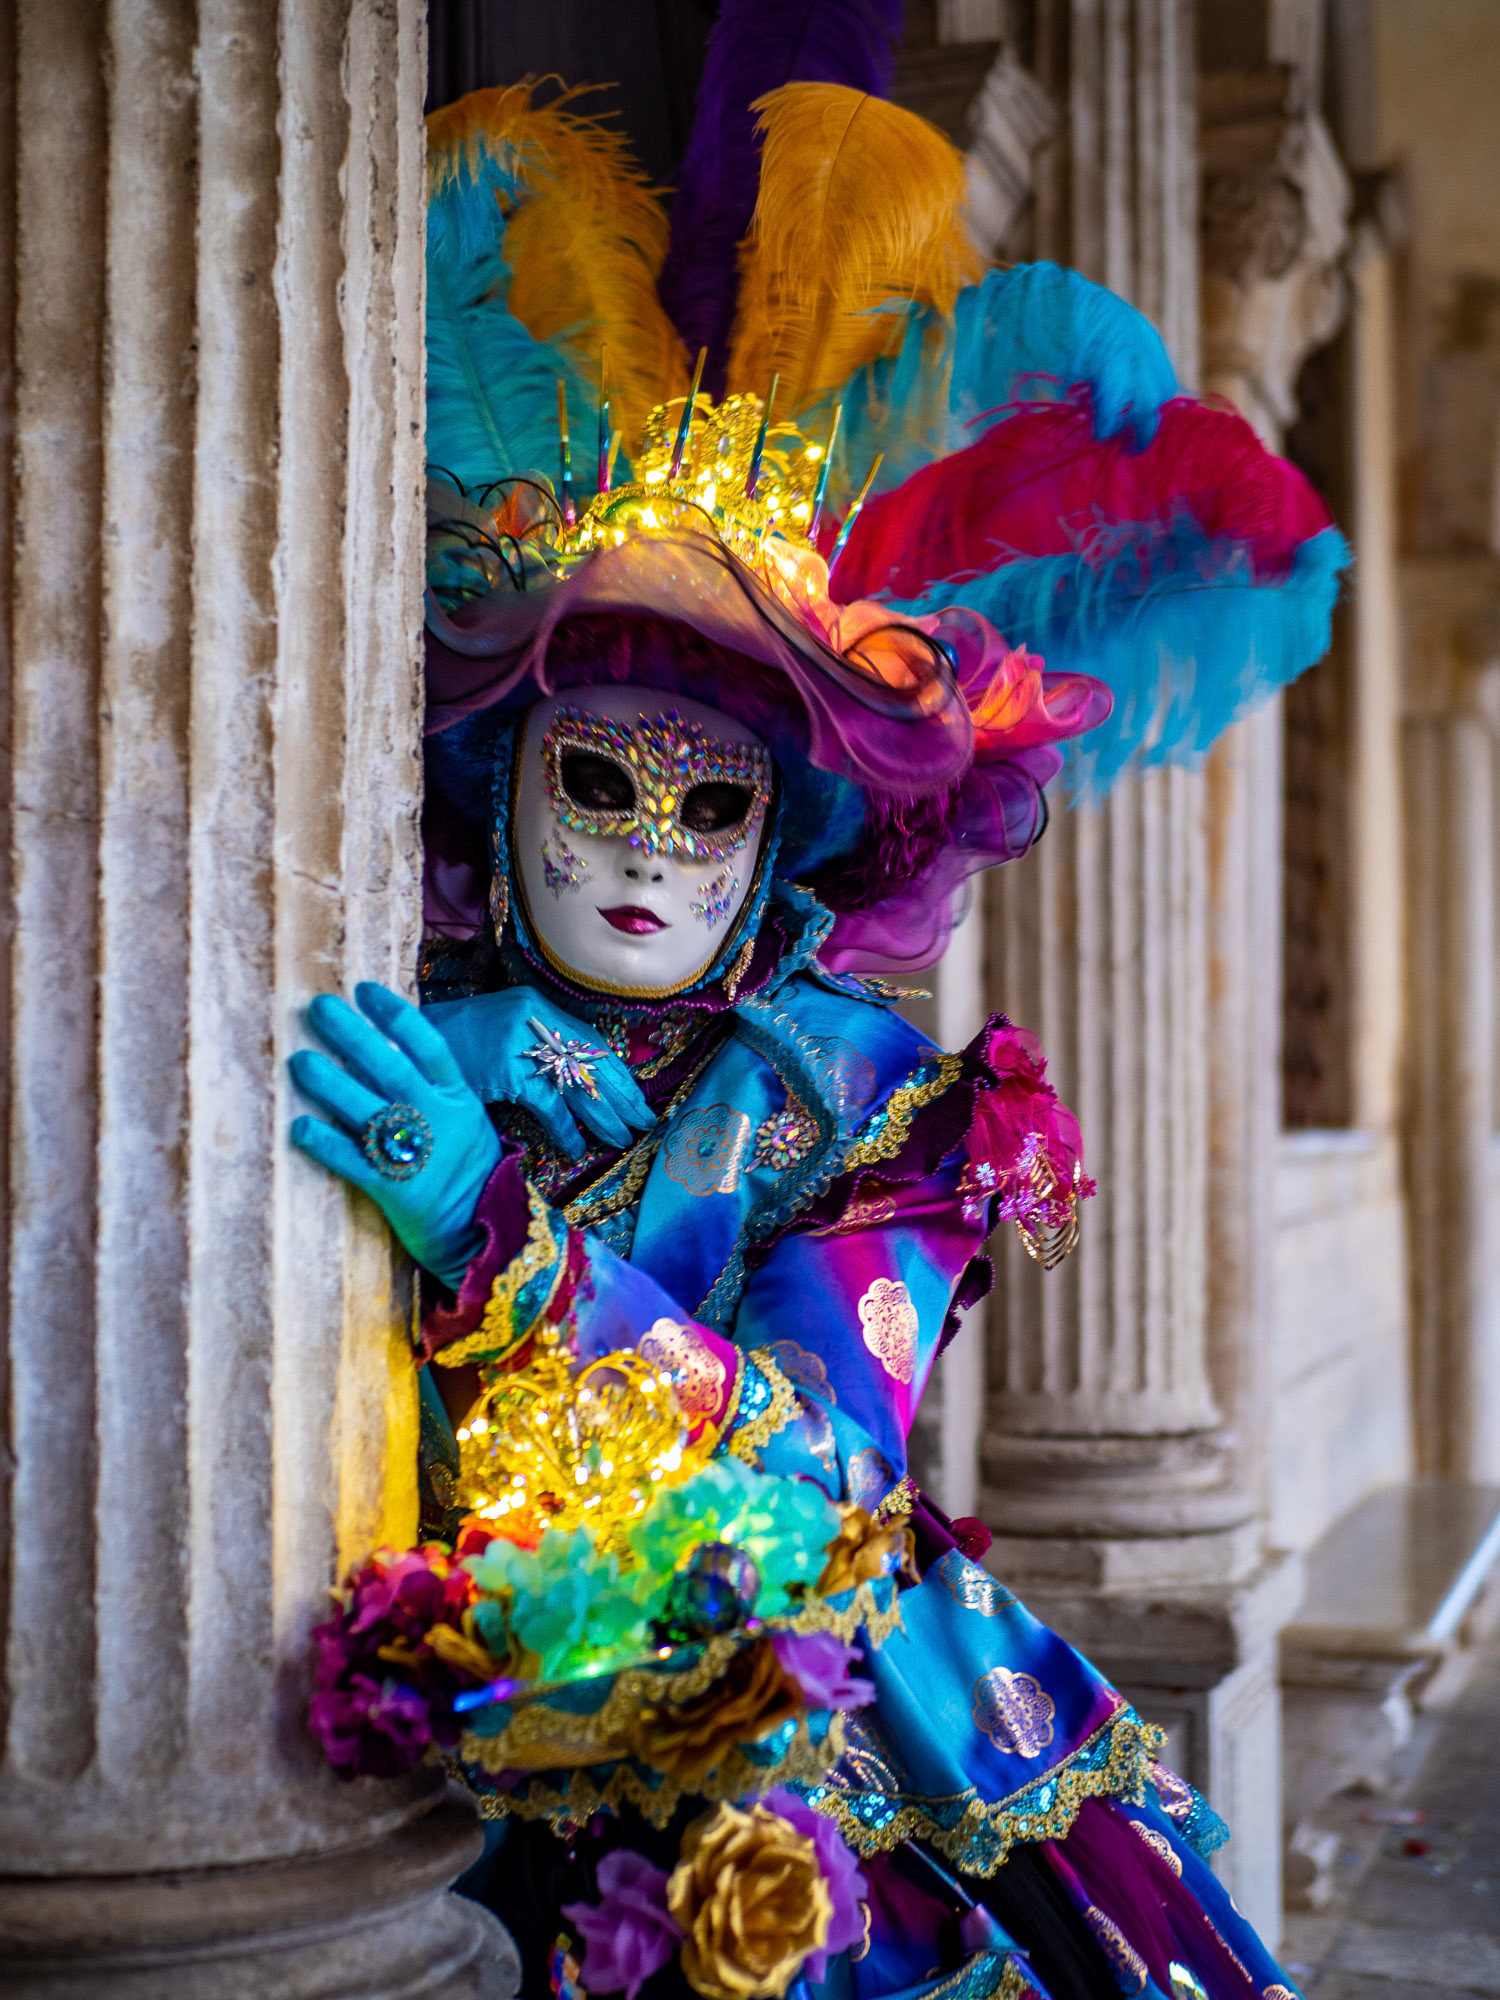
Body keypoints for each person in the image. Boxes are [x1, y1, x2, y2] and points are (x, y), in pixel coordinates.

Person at [290, 38, 1341, 2000]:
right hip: (438, 1792)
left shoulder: (872, 1106)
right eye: (598, 778)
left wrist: (487, 1236)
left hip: (828, 1768)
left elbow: (805, 1474)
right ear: (501, 792)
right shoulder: (422, 1034)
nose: (652, 850)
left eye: (714, 804)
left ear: (780, 850)